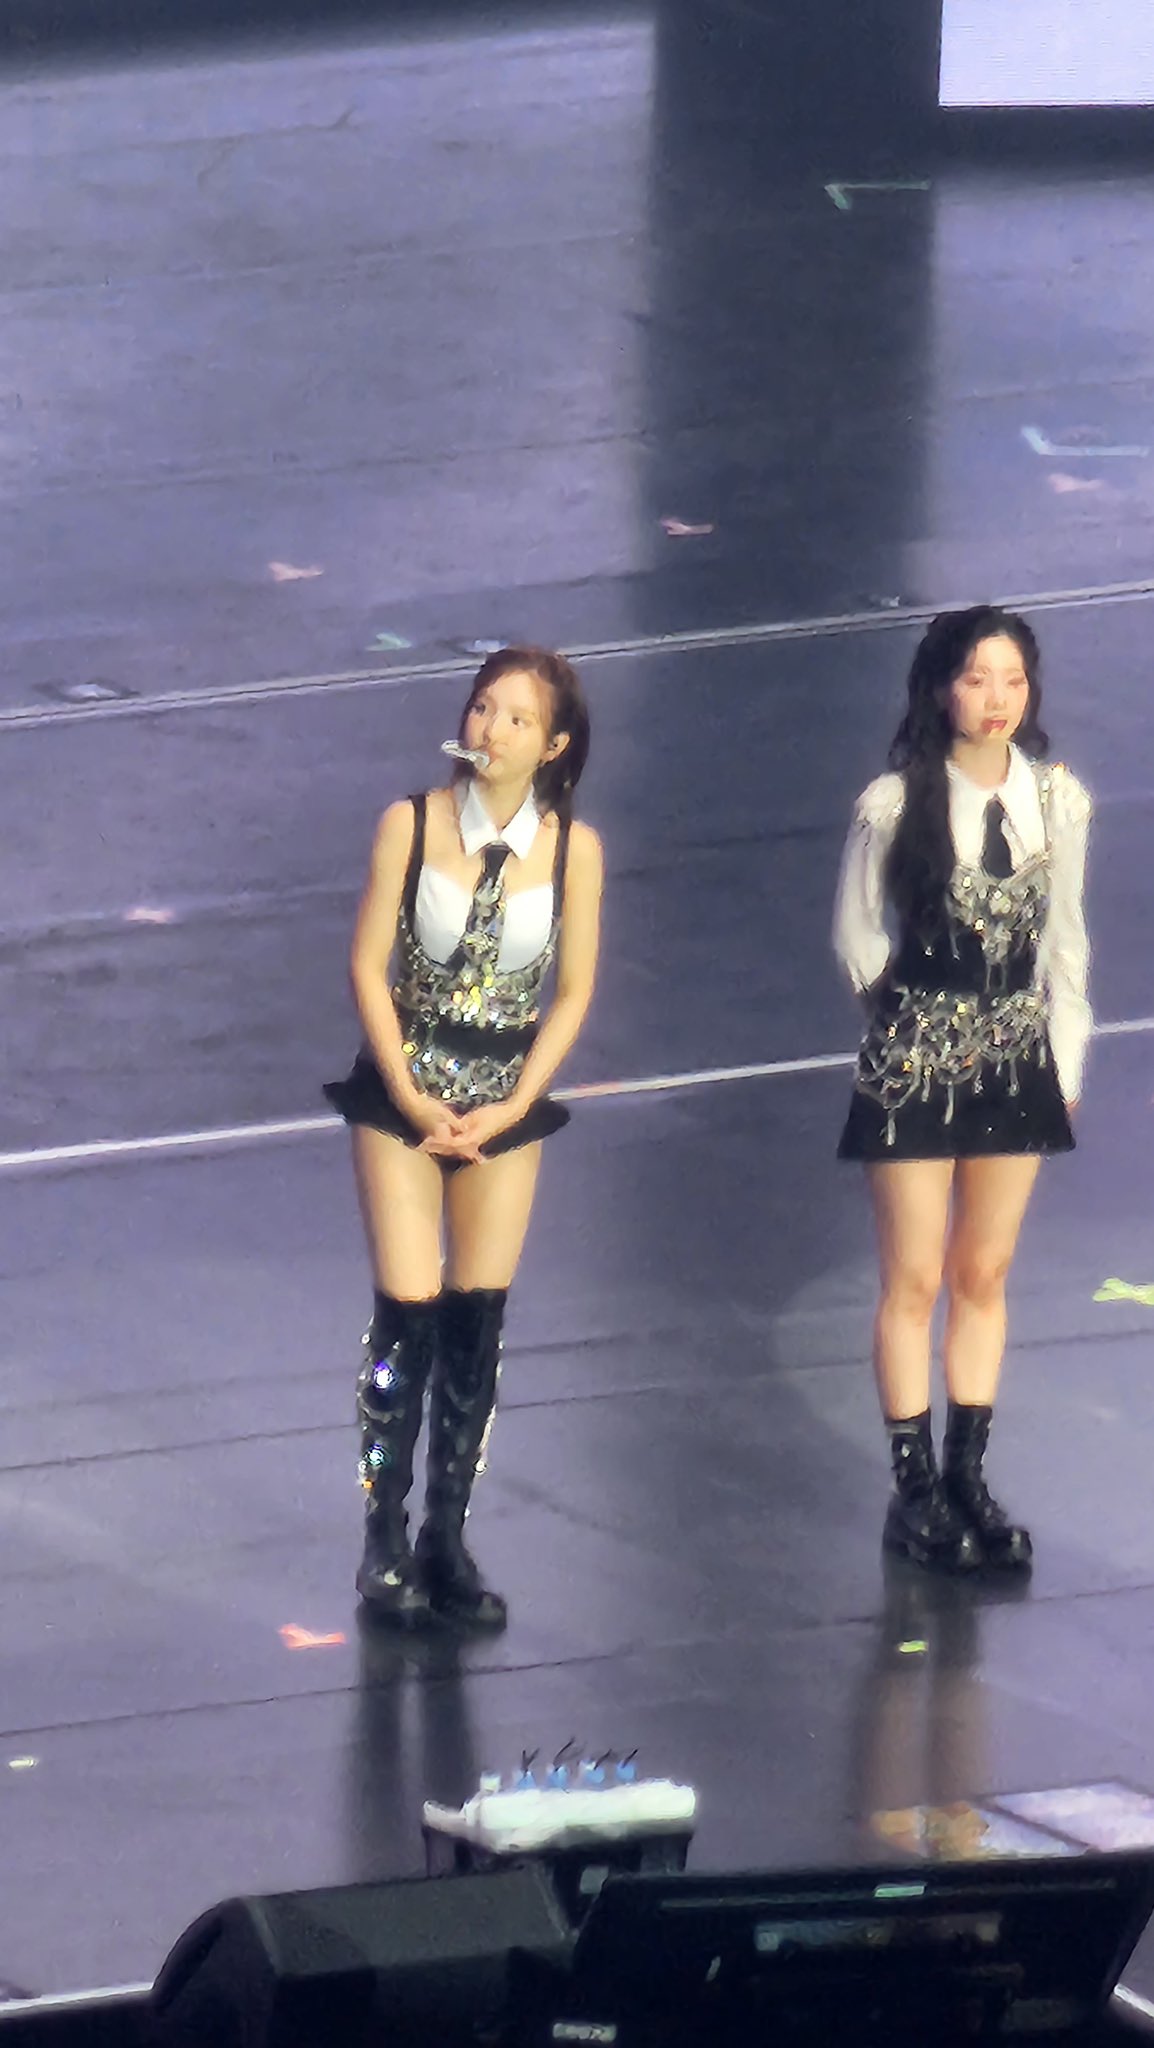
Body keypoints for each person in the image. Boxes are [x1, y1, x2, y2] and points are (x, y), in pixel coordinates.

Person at [325, 647, 603, 1630]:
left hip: (501, 1102)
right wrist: (405, 1092)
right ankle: (383, 1538)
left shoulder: (573, 850)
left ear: (553, 745)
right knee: (406, 1313)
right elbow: (368, 966)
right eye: (483, 707)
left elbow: (571, 992)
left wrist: (517, 1101)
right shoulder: (410, 822)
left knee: (476, 1324)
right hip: (405, 1092)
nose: (491, 729)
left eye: (517, 718)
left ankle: (446, 1535)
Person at [833, 605, 1092, 1574]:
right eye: (977, 677)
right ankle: (913, 1494)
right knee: (913, 1277)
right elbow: (856, 934)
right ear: (941, 687)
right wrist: (905, 1024)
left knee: (982, 1272)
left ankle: (965, 1476)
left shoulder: (1056, 800)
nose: (996, 698)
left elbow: (1064, 943)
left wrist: (1062, 1061)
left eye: (1012, 679)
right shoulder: (894, 803)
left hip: (1016, 1057)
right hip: (914, 1059)